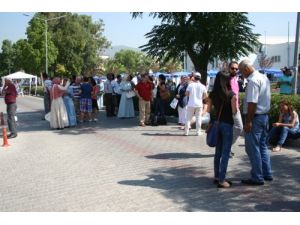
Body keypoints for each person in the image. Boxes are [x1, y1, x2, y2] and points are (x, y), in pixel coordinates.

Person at [238, 59, 273, 186]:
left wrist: (248, 122)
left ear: (247, 68)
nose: (242, 75)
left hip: (256, 118)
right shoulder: (264, 77)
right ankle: (267, 173)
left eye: (241, 72)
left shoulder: (253, 81)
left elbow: (252, 103)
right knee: (262, 146)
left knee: (252, 148)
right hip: (264, 117)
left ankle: (257, 177)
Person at [207, 71, 237, 188]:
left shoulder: (212, 94)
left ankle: (216, 176)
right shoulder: (231, 94)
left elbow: (209, 110)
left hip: (216, 124)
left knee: (218, 152)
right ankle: (222, 180)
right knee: (225, 153)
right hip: (227, 124)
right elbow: (234, 111)